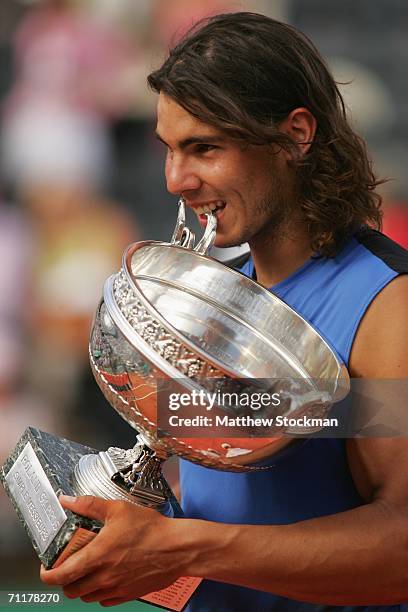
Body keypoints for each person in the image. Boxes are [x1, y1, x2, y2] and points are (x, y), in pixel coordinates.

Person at [40, 12, 408, 610]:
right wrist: (132, 529)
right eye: (169, 149)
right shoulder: (218, 297)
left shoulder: (387, 308)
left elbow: (401, 549)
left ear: (295, 135)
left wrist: (181, 548)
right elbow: (234, 513)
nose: (175, 179)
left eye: (204, 148)